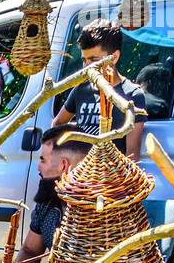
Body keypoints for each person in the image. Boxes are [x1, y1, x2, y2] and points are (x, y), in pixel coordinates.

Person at [53, 19, 147, 159]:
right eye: (84, 60)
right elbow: (58, 123)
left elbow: (132, 154)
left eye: (94, 60)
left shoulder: (132, 94)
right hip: (80, 178)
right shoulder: (81, 90)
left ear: (114, 57)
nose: (87, 67)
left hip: (110, 177)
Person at [16, 125, 88, 263]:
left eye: (43, 160)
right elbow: (29, 250)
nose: (38, 168)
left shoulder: (93, 212)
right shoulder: (49, 200)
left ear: (64, 166)